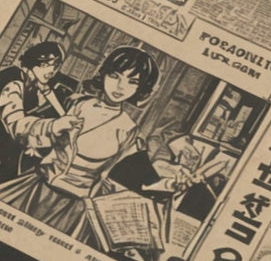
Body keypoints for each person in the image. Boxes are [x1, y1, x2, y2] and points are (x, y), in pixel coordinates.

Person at [0, 46, 177, 246]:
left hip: (73, 210)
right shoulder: (74, 103)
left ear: (141, 88)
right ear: (104, 74)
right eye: (115, 76)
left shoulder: (129, 131)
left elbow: (142, 181)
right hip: (33, 189)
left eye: (132, 81)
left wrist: (169, 185)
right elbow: (24, 132)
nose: (120, 86)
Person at [0, 40, 65, 182]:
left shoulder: (34, 83)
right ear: (33, 61)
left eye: (55, 66)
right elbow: (16, 125)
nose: (51, 71)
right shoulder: (14, 81)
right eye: (45, 65)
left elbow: (63, 115)